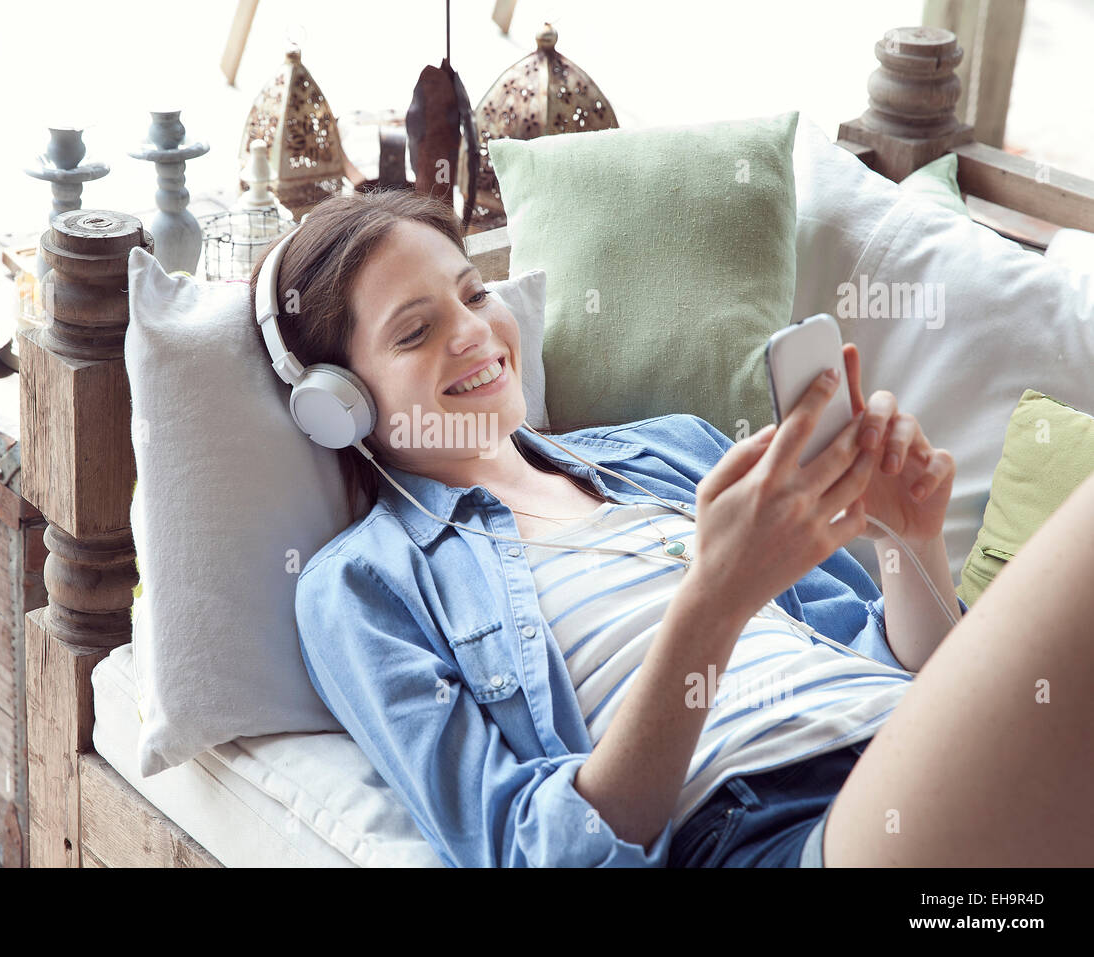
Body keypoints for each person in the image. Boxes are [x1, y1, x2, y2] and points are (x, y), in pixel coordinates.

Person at [250, 188, 1094, 867]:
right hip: (777, 830)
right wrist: (712, 604)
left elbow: (887, 660)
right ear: (339, 403)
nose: (474, 332)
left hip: (903, 738)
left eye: (473, 293)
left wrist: (909, 544)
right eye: (416, 330)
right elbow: (531, 849)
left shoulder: (666, 449)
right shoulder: (364, 584)